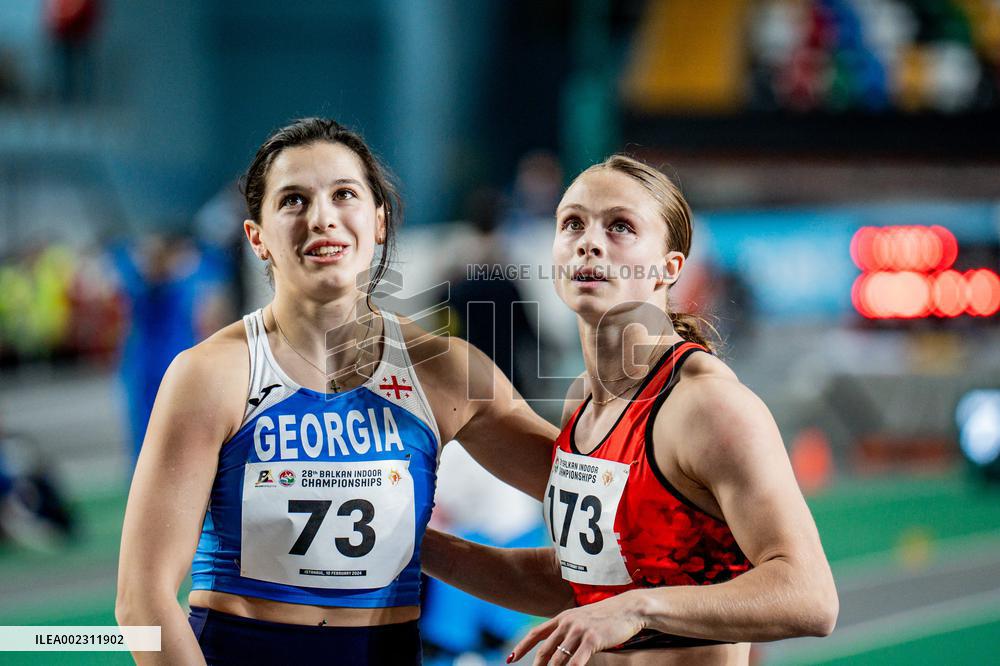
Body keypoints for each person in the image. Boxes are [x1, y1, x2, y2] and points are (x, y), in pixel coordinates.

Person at [115, 118, 557, 665]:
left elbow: (612, 503)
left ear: (378, 221)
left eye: (343, 194)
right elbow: (142, 602)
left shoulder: (443, 372)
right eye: (294, 200)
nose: (322, 217)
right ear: (257, 237)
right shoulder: (211, 375)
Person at [422, 155, 839, 665]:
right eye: (572, 222)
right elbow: (581, 584)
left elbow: (811, 596)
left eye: (620, 226)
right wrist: (414, 544)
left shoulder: (707, 405)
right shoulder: (584, 401)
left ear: (670, 269)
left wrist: (640, 608)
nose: (589, 241)